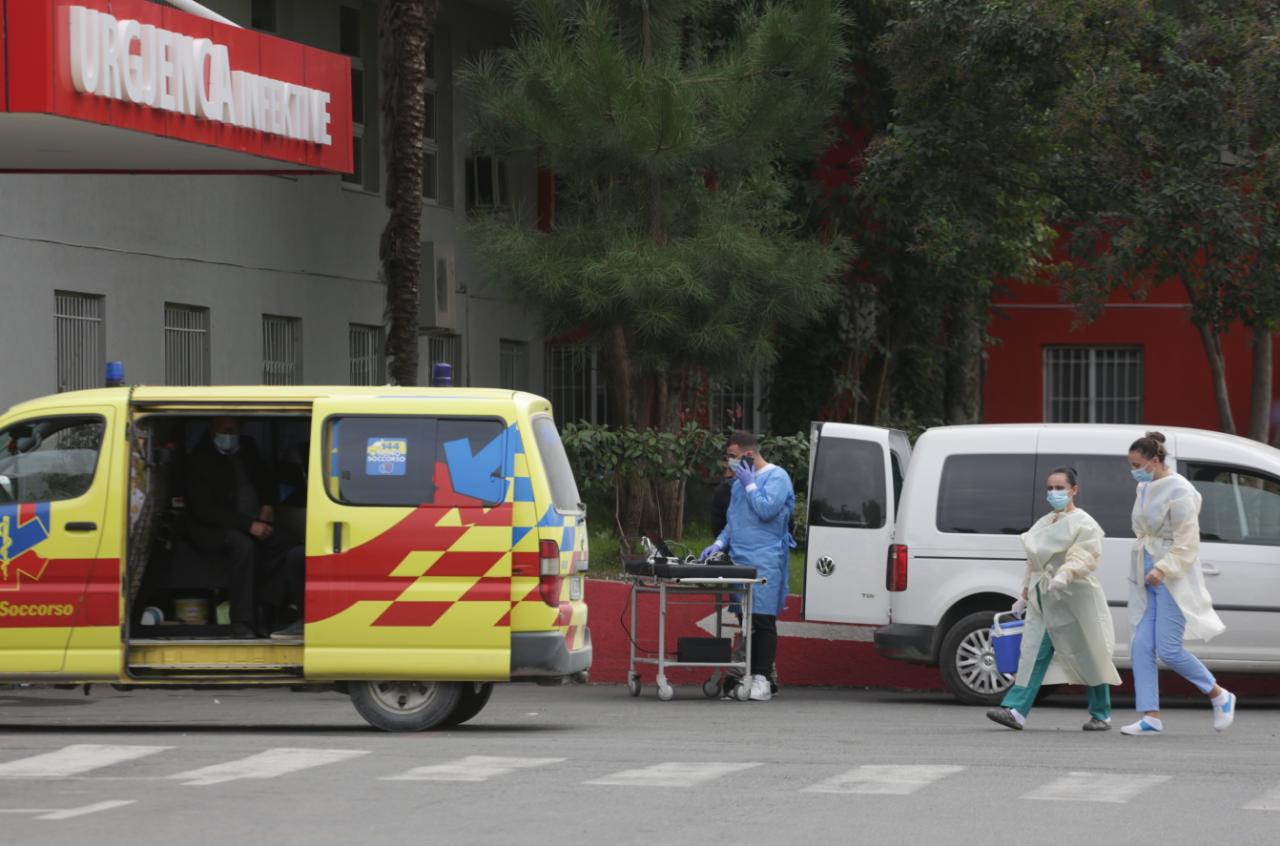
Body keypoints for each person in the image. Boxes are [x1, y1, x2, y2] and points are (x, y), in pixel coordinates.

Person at [987, 467, 1121, 731]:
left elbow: (1084, 554)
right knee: (1032, 651)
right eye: (1050, 488)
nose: (1053, 493)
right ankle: (1016, 710)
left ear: (1074, 490)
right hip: (1043, 595)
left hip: (1072, 596)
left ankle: (1101, 713)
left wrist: (1066, 574)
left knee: (1089, 652)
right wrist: (1024, 594)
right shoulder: (1045, 522)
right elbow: (1033, 561)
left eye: (1060, 488)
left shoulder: (1084, 523)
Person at [1122, 431, 1235, 736]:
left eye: (1137, 465)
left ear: (1155, 460)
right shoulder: (1144, 486)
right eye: (1131, 465)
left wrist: (1163, 568)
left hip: (1172, 576)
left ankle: (1219, 695)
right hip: (1145, 572)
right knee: (1141, 645)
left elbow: (1187, 540)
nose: (1134, 471)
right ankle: (1150, 716)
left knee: (1169, 649)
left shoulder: (1180, 489)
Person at [184, 417, 303, 639]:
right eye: (225, 429)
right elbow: (206, 509)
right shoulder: (197, 459)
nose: (230, 434)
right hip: (215, 528)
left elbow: (267, 479)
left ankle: (266, 607)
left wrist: (267, 504)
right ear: (212, 428)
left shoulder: (247, 448)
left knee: (289, 546)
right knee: (245, 547)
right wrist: (248, 525)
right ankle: (241, 621)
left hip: (255, 521)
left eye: (235, 429)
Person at [699, 430, 795, 702]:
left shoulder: (777, 477)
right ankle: (748, 675)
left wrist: (751, 485)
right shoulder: (738, 484)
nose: (729, 462)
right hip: (739, 559)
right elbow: (734, 522)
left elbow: (767, 510)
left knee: (762, 619)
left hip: (765, 560)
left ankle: (762, 679)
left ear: (749, 455)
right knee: (746, 620)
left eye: (733, 456)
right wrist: (719, 544)